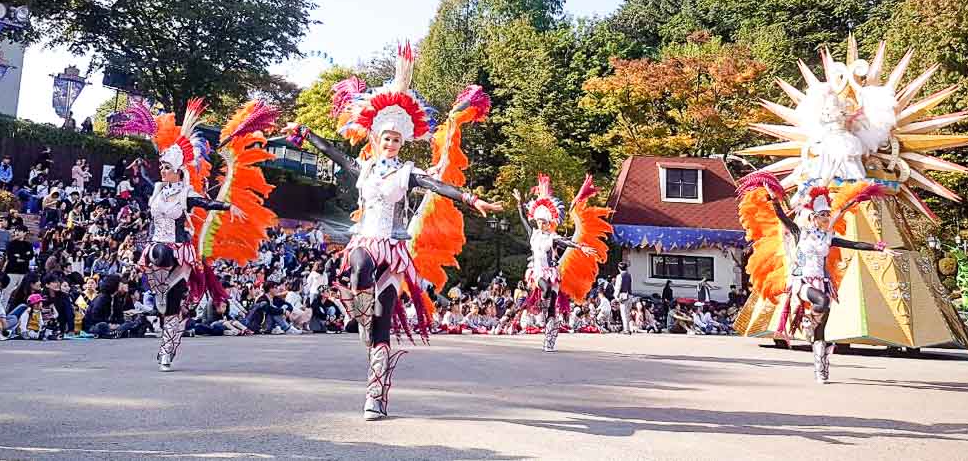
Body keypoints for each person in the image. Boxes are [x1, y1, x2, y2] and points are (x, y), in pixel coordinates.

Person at [284, 50, 502, 420]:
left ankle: (375, 398)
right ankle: (361, 316)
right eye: (386, 138)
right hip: (365, 241)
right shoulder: (363, 169)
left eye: (397, 140)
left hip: (394, 250)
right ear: (376, 137)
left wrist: (469, 198)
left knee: (382, 332)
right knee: (357, 267)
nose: (391, 144)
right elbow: (334, 152)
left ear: (402, 143)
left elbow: (436, 183)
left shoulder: (406, 173)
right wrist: (306, 133)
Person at [112, 97, 279, 372]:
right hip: (155, 247)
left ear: (178, 171)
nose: (162, 170)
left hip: (178, 251)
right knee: (163, 306)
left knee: (173, 305)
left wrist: (228, 206)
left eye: (167, 167)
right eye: (161, 167)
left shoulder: (185, 193)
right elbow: (142, 193)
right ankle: (168, 322)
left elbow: (205, 203)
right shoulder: (156, 190)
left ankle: (167, 350)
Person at [743, 175, 896, 383]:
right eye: (822, 214)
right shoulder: (799, 234)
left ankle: (821, 370)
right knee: (821, 302)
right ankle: (807, 322)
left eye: (827, 214)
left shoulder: (828, 237)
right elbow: (782, 218)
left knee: (822, 331)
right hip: (801, 282)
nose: (826, 217)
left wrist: (879, 248)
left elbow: (854, 245)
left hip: (822, 282)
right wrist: (774, 199)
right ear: (813, 217)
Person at [513, 175, 608, 353]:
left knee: (552, 310)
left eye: (544, 222)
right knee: (545, 289)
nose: (541, 224)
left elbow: (566, 242)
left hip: (552, 273)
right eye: (539, 221)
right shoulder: (533, 234)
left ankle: (549, 340)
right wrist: (520, 203)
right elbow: (524, 221)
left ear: (549, 223)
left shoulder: (552, 237)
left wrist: (581, 247)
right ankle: (541, 303)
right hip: (538, 272)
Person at [2, 229, 34, 304]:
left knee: (22, 293)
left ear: (25, 233)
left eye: (19, 231)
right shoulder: (11, 244)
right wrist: (25, 255)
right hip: (11, 271)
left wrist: (19, 256)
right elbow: (10, 257)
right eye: (16, 231)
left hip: (23, 272)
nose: (17, 233)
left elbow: (31, 256)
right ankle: (2, 312)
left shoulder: (28, 244)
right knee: (6, 293)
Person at [614, 262, 634, 334]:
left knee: (624, 313)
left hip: (623, 295)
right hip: (630, 295)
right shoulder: (629, 275)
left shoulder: (619, 276)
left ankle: (626, 329)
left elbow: (618, 287)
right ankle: (628, 328)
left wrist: (616, 296)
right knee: (628, 313)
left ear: (619, 268)